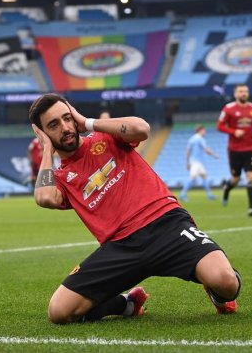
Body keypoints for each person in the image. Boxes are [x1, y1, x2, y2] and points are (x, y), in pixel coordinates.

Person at [28, 93, 241, 324]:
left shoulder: (105, 137)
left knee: (226, 282)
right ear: (42, 133)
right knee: (59, 312)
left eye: (67, 118)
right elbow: (45, 197)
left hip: (167, 225)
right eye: (54, 125)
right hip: (121, 248)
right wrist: (47, 150)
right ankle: (127, 304)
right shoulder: (60, 178)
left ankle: (217, 295)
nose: (66, 127)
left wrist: (88, 122)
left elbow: (141, 128)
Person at [217, 84, 252, 217]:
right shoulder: (228, 109)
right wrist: (233, 131)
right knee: (236, 179)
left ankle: (251, 208)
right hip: (234, 150)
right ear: (235, 94)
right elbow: (219, 126)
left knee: (251, 177)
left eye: (246, 91)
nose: (244, 93)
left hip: (250, 149)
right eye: (241, 91)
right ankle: (227, 188)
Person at [179, 124, 218, 202]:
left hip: (194, 161)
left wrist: (187, 162)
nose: (205, 132)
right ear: (200, 130)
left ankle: (209, 194)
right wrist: (214, 155)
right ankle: (183, 194)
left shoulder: (191, 139)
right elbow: (206, 149)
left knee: (204, 176)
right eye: (204, 130)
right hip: (196, 162)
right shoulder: (200, 138)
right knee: (193, 177)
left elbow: (188, 151)